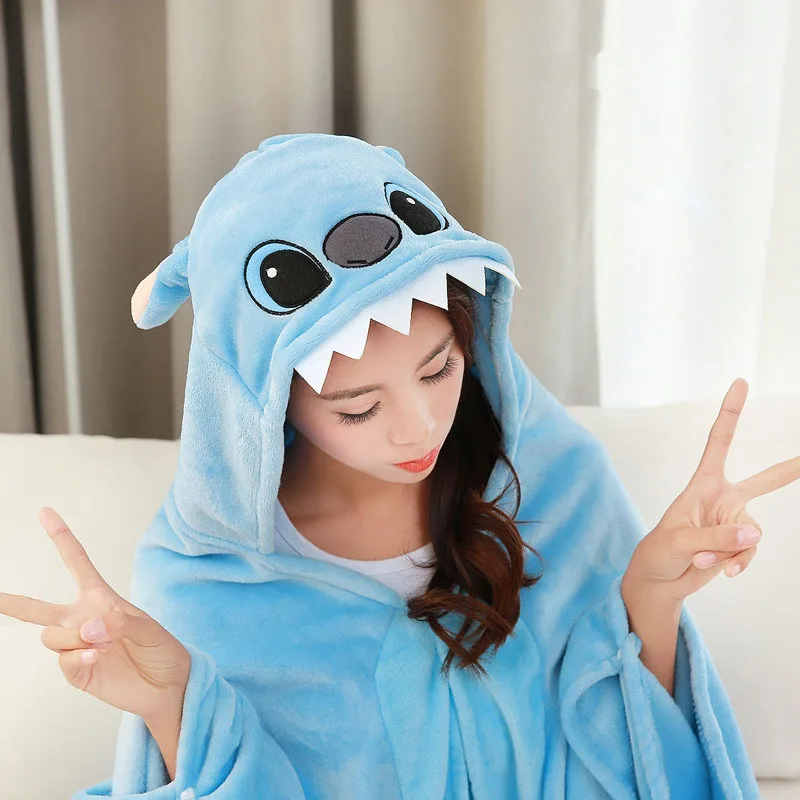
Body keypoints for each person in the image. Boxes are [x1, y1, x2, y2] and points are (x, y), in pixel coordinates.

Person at [1, 133, 779, 799]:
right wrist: (177, 706)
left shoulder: (558, 478)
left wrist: (649, 596)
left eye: (439, 369)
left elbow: (632, 766)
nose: (419, 427)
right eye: (357, 408)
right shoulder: (207, 579)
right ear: (269, 408)